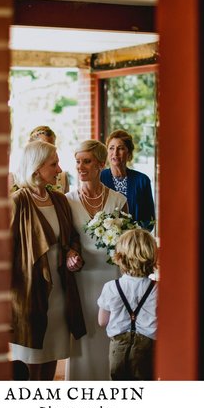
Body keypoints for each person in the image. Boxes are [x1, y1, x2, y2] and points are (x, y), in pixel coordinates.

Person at [9, 139, 86, 380]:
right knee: (30, 360)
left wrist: (72, 253)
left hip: (60, 292)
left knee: (52, 354)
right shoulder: (17, 202)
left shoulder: (59, 200)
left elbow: (71, 238)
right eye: (54, 164)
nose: (60, 170)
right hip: (29, 293)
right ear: (37, 168)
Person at [64, 139, 128, 380]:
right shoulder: (67, 200)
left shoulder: (118, 200)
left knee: (110, 330)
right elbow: (63, 240)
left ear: (100, 164)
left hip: (111, 276)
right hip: (81, 277)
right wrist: (69, 253)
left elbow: (126, 242)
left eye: (87, 162)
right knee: (84, 333)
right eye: (78, 161)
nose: (80, 167)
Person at [97, 229, 158, 380]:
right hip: (148, 350)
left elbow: (102, 321)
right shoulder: (158, 289)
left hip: (118, 348)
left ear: (120, 257)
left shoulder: (111, 287)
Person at [99, 129, 155, 229]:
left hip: (135, 240)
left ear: (129, 153)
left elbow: (149, 220)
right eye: (111, 148)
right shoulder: (99, 178)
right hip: (105, 241)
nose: (115, 153)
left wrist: (135, 234)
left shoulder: (142, 180)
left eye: (120, 148)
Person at [9, 125, 71, 194]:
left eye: (52, 145)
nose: (48, 149)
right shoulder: (13, 179)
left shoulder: (62, 177)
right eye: (43, 145)